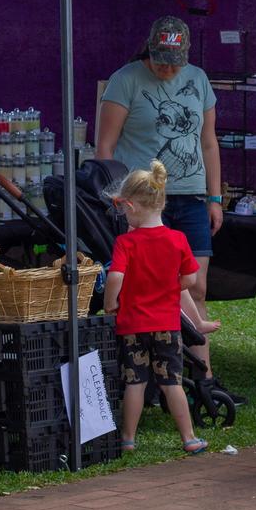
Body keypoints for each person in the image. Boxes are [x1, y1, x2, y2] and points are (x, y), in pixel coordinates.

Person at [97, 15, 246, 405]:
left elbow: (209, 142)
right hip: (144, 200)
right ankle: (150, 377)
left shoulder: (198, 79)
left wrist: (215, 198)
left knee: (195, 285)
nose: (167, 67)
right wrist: (113, 198)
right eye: (161, 59)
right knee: (145, 286)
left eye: (174, 60)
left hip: (192, 195)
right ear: (149, 49)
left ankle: (204, 380)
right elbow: (105, 151)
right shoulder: (124, 80)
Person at [103, 159, 209, 454]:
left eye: (123, 207)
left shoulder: (126, 242)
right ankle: (188, 438)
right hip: (166, 325)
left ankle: (128, 439)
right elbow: (191, 277)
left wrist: (111, 302)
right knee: (171, 382)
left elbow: (115, 276)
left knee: (134, 382)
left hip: (133, 326)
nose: (123, 214)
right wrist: (171, 286)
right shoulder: (177, 240)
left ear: (133, 206)